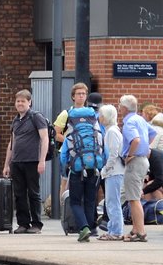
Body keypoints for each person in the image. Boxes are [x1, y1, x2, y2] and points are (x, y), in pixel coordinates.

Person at [2, 89, 48, 234]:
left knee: (33, 193)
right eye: (18, 101)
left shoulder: (36, 117)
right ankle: (23, 223)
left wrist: (42, 160)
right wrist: (7, 164)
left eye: (23, 101)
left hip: (32, 161)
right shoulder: (16, 120)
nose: (20, 104)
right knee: (19, 193)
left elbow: (44, 138)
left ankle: (36, 224)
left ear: (29, 102)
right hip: (17, 162)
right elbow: (12, 143)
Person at [60, 91, 103, 242]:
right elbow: (105, 150)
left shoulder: (72, 132)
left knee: (76, 201)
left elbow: (63, 154)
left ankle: (83, 227)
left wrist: (65, 168)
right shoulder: (96, 130)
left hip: (77, 169)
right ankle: (91, 228)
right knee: (91, 200)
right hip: (95, 168)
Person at [119, 94, 157, 242]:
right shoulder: (140, 119)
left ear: (124, 108)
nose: (119, 108)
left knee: (133, 199)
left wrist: (129, 155)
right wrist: (146, 149)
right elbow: (152, 133)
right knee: (133, 196)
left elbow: (135, 140)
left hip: (135, 162)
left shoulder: (129, 122)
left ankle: (140, 231)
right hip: (143, 161)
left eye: (120, 105)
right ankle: (135, 229)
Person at [96, 104, 125, 241]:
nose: (99, 117)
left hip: (114, 172)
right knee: (111, 202)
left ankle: (116, 231)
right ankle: (112, 229)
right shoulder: (112, 130)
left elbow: (113, 154)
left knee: (113, 202)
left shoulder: (112, 132)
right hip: (114, 171)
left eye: (101, 115)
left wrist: (105, 169)